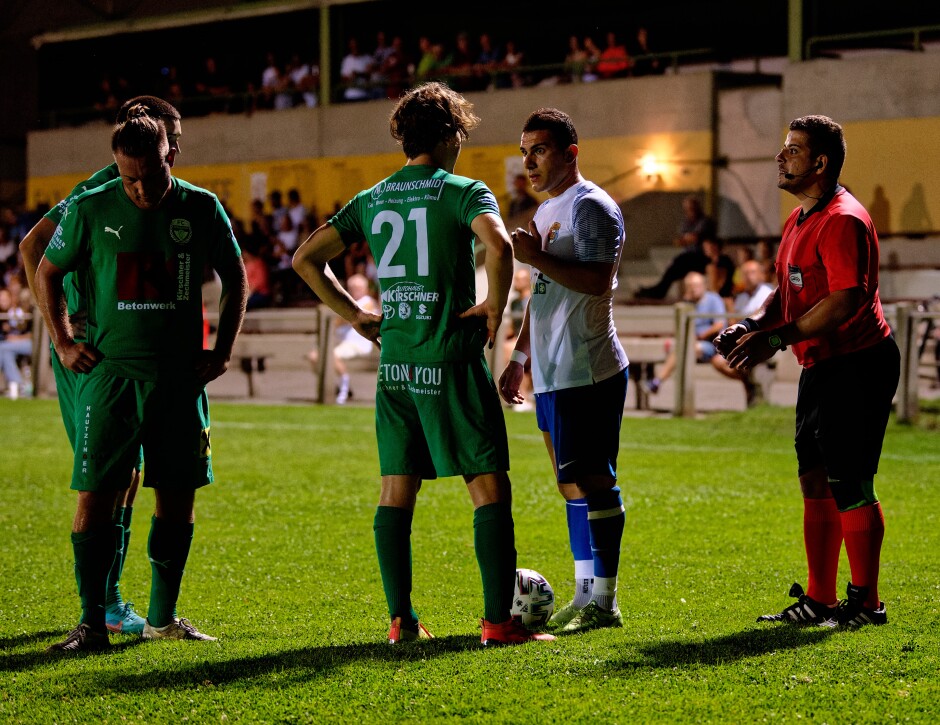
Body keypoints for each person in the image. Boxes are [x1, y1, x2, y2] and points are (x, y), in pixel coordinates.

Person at [292, 81, 554, 647]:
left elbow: (305, 258)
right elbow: (501, 247)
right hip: (451, 361)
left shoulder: (372, 197)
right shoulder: (464, 190)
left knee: (396, 490)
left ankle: (402, 621)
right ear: (451, 135)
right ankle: (498, 623)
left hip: (398, 371)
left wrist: (357, 315)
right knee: (488, 487)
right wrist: (493, 307)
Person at [34, 107, 247, 653]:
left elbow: (236, 278)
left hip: (178, 380)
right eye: (127, 177)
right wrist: (62, 339)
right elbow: (45, 270)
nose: (139, 188)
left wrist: (221, 351)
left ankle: (161, 616)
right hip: (110, 380)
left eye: (148, 175)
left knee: (176, 499)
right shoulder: (88, 206)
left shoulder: (201, 207)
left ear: (170, 155)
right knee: (94, 499)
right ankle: (91, 623)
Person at [716, 115, 900, 628]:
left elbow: (845, 300)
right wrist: (753, 323)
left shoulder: (843, 218)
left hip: (857, 363)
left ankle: (866, 602)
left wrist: (775, 339)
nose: (781, 156)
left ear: (819, 163)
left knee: (849, 480)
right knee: (814, 480)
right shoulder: (801, 219)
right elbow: (791, 292)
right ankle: (819, 599)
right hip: (822, 364)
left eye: (792, 150)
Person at [19, 95, 185, 638]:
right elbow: (34, 246)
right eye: (171, 134)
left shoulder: (157, 193)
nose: (177, 147)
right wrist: (62, 332)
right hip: (91, 351)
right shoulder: (101, 189)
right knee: (109, 476)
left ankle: (110, 601)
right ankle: (105, 604)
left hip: (120, 349)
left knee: (129, 473)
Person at [499, 107, 629, 633]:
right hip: (553, 372)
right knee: (568, 483)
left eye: (540, 150)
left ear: (571, 152)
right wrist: (521, 360)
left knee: (593, 480)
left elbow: (598, 280)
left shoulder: (592, 206)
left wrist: (533, 256)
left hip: (588, 368)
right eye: (525, 151)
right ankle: (584, 593)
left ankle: (607, 600)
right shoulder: (548, 210)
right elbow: (543, 295)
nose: (529, 162)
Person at [644, 271, 726, 395]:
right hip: (691, 342)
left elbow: (719, 324)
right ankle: (660, 383)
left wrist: (701, 336)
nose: (694, 289)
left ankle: (658, 381)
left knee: (683, 349)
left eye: (696, 285)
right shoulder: (688, 304)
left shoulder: (713, 299)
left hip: (711, 344)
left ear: (704, 285)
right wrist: (686, 301)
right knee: (679, 347)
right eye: (690, 286)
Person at [710, 259, 773, 406]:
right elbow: (734, 321)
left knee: (739, 361)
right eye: (745, 273)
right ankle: (750, 386)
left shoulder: (767, 293)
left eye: (752, 272)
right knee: (719, 361)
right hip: (742, 341)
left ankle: (751, 389)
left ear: (761, 275)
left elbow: (761, 320)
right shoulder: (742, 297)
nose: (749, 276)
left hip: (762, 340)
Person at [313, 272, 379, 404]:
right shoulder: (349, 302)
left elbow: (350, 317)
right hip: (342, 341)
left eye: (358, 288)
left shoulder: (368, 302)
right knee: (314, 356)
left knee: (332, 356)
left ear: (365, 289)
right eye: (352, 288)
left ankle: (343, 390)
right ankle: (340, 386)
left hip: (358, 343)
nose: (355, 291)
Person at [635, 194, 716, 300]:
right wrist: (686, 239)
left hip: (702, 257)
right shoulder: (687, 222)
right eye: (687, 209)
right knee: (674, 267)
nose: (689, 211)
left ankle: (658, 291)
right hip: (689, 257)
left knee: (678, 263)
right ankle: (657, 290)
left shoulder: (705, 221)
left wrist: (687, 239)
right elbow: (680, 240)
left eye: (691, 208)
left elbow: (693, 238)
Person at [502, 267, 533, 410]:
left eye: (519, 280)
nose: (516, 282)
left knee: (513, 351)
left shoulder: (531, 300)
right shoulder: (514, 302)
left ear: (527, 282)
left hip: (532, 341)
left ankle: (524, 396)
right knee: (508, 347)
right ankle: (522, 397)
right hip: (518, 341)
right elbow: (511, 328)